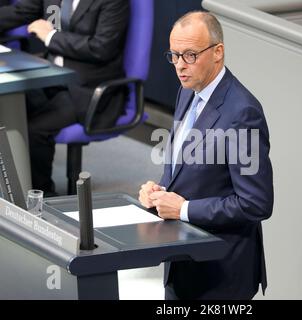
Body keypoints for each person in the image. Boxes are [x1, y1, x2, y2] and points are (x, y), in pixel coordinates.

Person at [138, 11, 274, 300]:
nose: (179, 66)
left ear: (217, 52)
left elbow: (255, 204)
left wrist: (184, 209)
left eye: (189, 55)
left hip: (220, 275)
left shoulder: (242, 113)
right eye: (174, 55)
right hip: (182, 261)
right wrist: (161, 191)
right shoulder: (187, 92)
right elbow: (185, 165)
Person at [0, 0, 129, 196]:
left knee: (35, 128)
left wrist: (51, 36)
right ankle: (8, 190)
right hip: (50, 75)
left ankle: (41, 198)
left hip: (88, 87)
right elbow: (24, 9)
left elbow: (101, 47)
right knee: (9, 107)